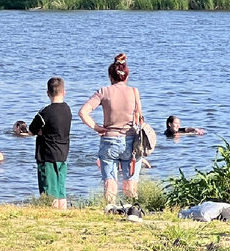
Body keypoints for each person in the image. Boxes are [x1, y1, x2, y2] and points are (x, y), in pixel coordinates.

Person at [78, 52, 145, 206]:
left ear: (110, 76)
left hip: (109, 139)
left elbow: (83, 112)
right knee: (130, 180)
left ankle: (110, 209)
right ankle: (131, 208)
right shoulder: (134, 92)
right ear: (126, 76)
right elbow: (140, 117)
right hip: (131, 140)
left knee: (110, 179)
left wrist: (96, 127)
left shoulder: (104, 91)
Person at [29, 77, 71, 210]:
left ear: (48, 93)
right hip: (63, 153)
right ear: (64, 92)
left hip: (47, 155)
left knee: (49, 188)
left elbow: (31, 130)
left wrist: (41, 131)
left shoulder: (45, 112)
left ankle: (51, 212)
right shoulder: (67, 110)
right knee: (60, 188)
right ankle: (63, 211)